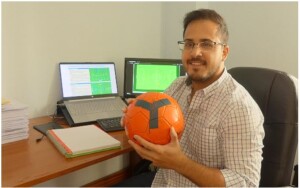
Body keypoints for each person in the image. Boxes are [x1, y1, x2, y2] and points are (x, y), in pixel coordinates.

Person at [118, 8, 265, 187]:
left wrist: (179, 163)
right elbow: (155, 128)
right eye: (189, 44)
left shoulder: (239, 108)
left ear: (224, 52)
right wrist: (135, 115)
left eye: (206, 44)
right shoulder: (177, 86)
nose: (195, 53)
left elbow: (246, 183)